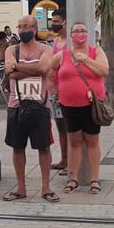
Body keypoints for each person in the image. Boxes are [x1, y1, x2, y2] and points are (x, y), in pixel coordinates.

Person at [1, 15, 57, 203]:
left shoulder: (46, 49)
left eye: (26, 26)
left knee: (43, 147)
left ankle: (46, 187)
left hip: (40, 104)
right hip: (16, 104)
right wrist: (30, 68)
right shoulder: (11, 49)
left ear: (35, 29)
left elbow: (43, 68)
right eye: (20, 26)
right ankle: (21, 188)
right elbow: (9, 72)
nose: (22, 29)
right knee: (18, 147)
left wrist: (18, 68)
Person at [52, 21, 108, 195]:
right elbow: (49, 70)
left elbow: (104, 70)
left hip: (92, 105)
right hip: (69, 105)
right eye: (76, 31)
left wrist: (86, 59)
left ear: (88, 34)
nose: (80, 33)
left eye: (83, 30)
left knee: (92, 141)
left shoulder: (96, 51)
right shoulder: (63, 55)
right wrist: (56, 88)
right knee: (74, 141)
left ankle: (94, 180)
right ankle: (73, 178)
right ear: (70, 35)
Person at [46, 12, 70, 173]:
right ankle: (64, 159)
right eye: (52, 21)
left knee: (70, 126)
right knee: (60, 125)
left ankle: (71, 161)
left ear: (64, 22)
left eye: (56, 21)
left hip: (68, 90)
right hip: (54, 90)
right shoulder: (55, 41)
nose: (53, 24)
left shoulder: (71, 43)